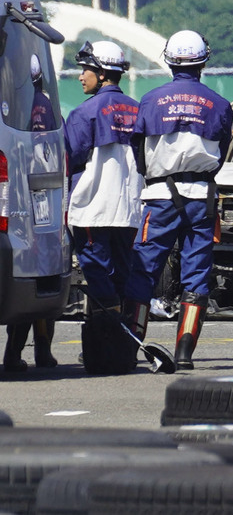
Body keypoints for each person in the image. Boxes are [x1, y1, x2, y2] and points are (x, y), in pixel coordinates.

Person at [124, 30, 232, 370]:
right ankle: (184, 355)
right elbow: (223, 154)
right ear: (203, 62)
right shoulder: (220, 105)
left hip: (159, 197)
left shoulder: (150, 100)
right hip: (202, 197)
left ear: (169, 61)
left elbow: (138, 152)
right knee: (196, 275)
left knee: (144, 271)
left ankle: (131, 347)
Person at [63, 41, 142, 354]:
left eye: (86, 70)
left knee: (97, 278)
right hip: (130, 212)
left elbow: (70, 161)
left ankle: (104, 346)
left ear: (103, 73)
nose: (81, 76)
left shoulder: (84, 113)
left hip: (93, 209)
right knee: (121, 276)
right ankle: (120, 347)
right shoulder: (138, 110)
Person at [4, 55, 61, 371]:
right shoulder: (44, 104)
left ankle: (16, 354)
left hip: (19, 199)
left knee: (29, 276)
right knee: (41, 277)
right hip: (41, 200)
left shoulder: (17, 103)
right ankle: (41, 352)